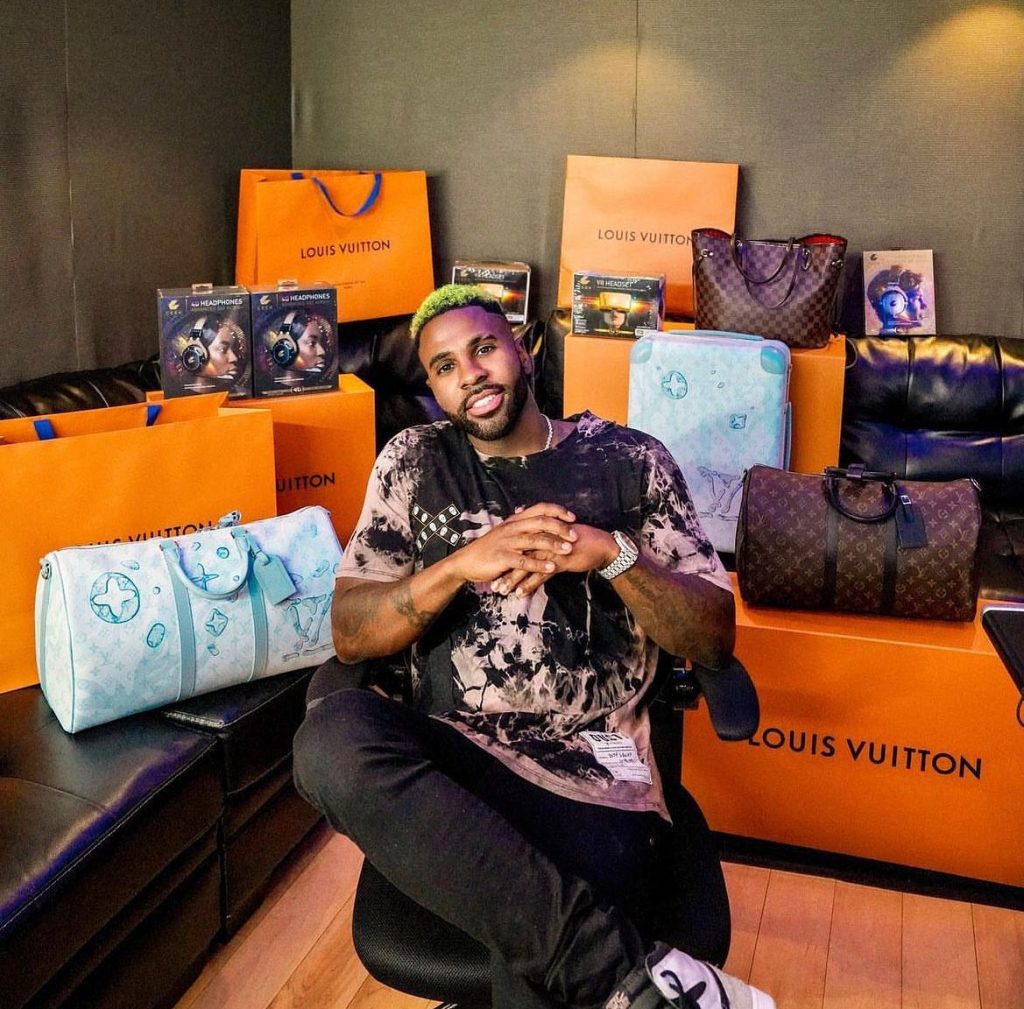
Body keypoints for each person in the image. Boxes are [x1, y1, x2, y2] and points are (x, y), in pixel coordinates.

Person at [293, 284, 776, 1009]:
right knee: (327, 738)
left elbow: (713, 637)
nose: (470, 374)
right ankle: (623, 976)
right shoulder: (412, 461)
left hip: (594, 770)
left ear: (520, 350)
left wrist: (611, 554)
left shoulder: (630, 459)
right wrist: (461, 565)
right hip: (456, 768)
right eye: (445, 366)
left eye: (483, 348)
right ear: (434, 388)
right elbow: (351, 632)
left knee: (528, 933)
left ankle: (609, 972)